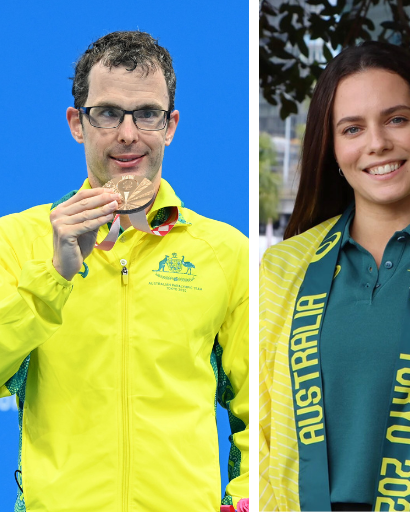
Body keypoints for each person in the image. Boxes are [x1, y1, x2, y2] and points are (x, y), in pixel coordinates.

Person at [0, 31, 249, 511]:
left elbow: (261, 408)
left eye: (148, 114)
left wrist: (245, 501)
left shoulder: (224, 252)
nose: (128, 134)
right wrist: (55, 275)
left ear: (170, 125)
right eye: (108, 113)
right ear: (78, 123)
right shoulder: (17, 240)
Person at [259, 41, 410, 511]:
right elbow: (263, 434)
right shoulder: (283, 268)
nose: (377, 143)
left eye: (396, 119)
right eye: (352, 128)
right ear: (333, 149)